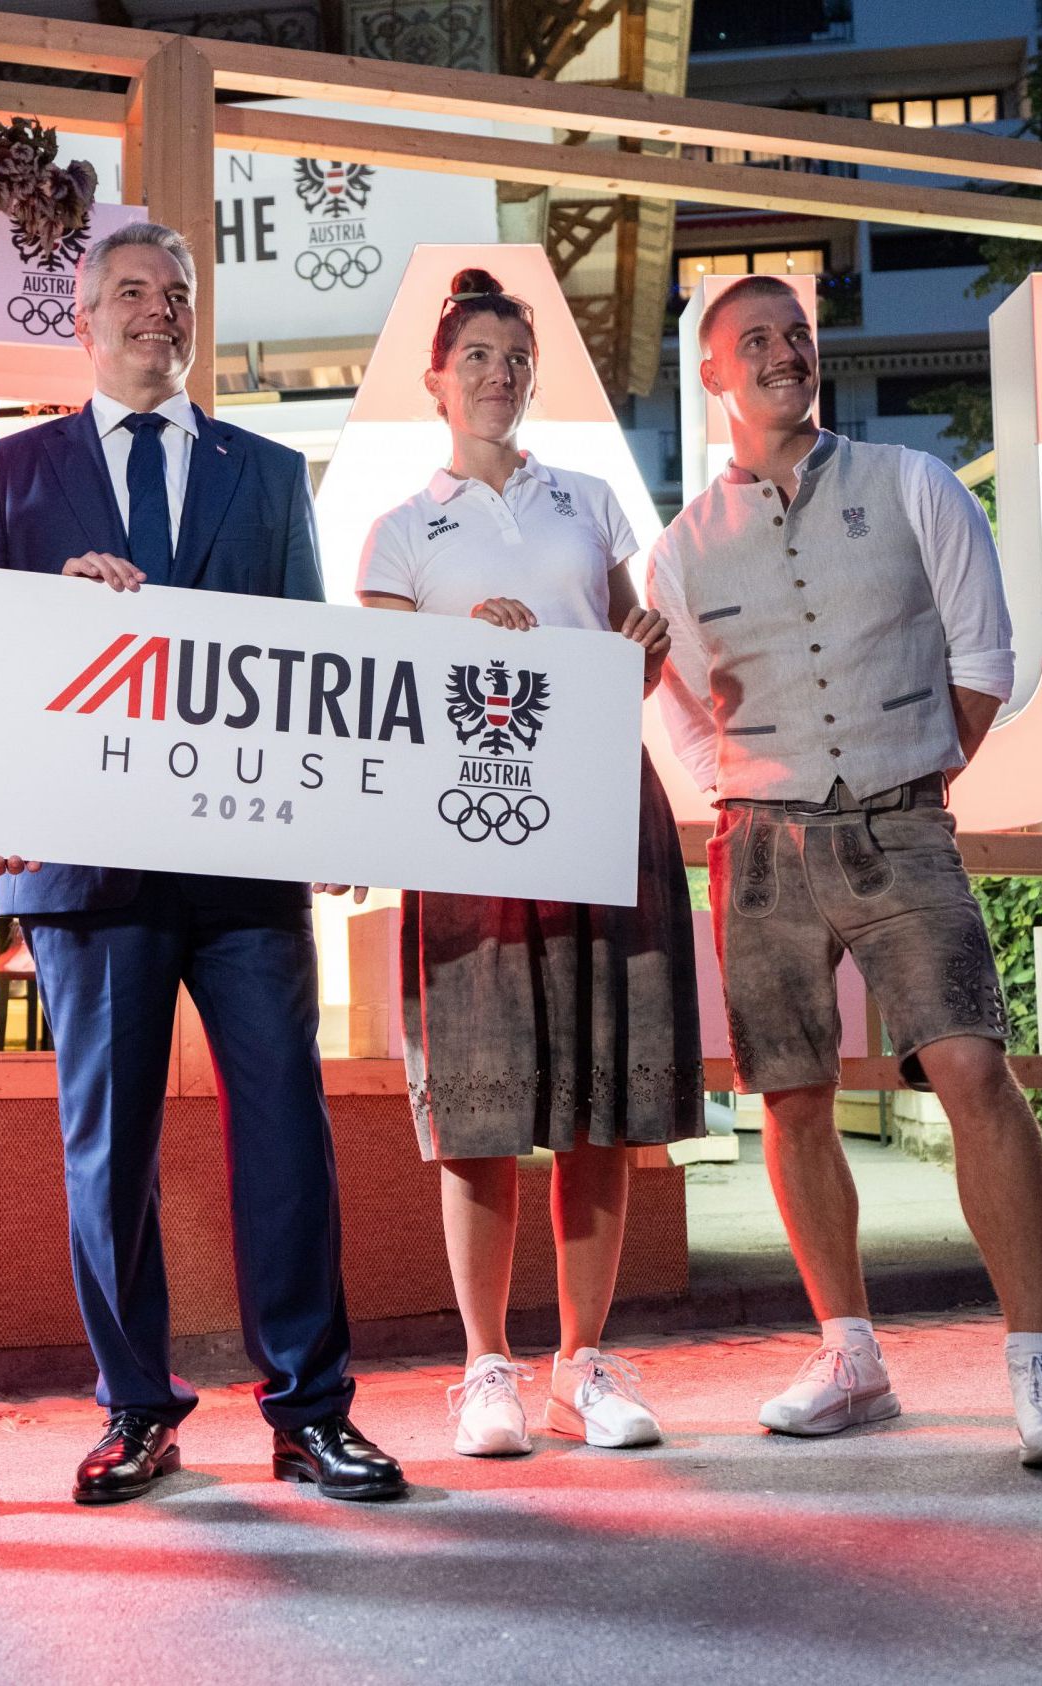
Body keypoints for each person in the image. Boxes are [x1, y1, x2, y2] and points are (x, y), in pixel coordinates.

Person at [0, 221, 405, 1504]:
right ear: (84, 320)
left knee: (286, 1134)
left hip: (244, 867)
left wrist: (330, 826)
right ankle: (136, 1407)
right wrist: (57, 598)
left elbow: (309, 664)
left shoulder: (267, 474)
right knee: (109, 1149)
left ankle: (310, 1408)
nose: (160, 310)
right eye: (134, 291)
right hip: (85, 872)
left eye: (180, 294)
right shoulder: (12, 472)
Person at [650, 274, 1042, 1468]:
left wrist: (916, 775)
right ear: (713, 377)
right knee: (790, 1098)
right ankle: (851, 1355)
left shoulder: (914, 483)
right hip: (759, 847)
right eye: (752, 341)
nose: (781, 353)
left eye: (794, 335)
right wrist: (747, 791)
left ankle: (1037, 1360)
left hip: (902, 822)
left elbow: (982, 655)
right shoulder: (682, 548)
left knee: (969, 1067)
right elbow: (690, 714)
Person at [356, 268, 704, 1458]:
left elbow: (624, 662)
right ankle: (485, 1366)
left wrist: (640, 648)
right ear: (436, 381)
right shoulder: (400, 530)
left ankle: (584, 1363)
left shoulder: (590, 500)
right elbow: (385, 687)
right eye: (477, 358)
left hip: (601, 806)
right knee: (482, 1104)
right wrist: (464, 645)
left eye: (514, 359)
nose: (496, 376)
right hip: (468, 825)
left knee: (599, 1102)